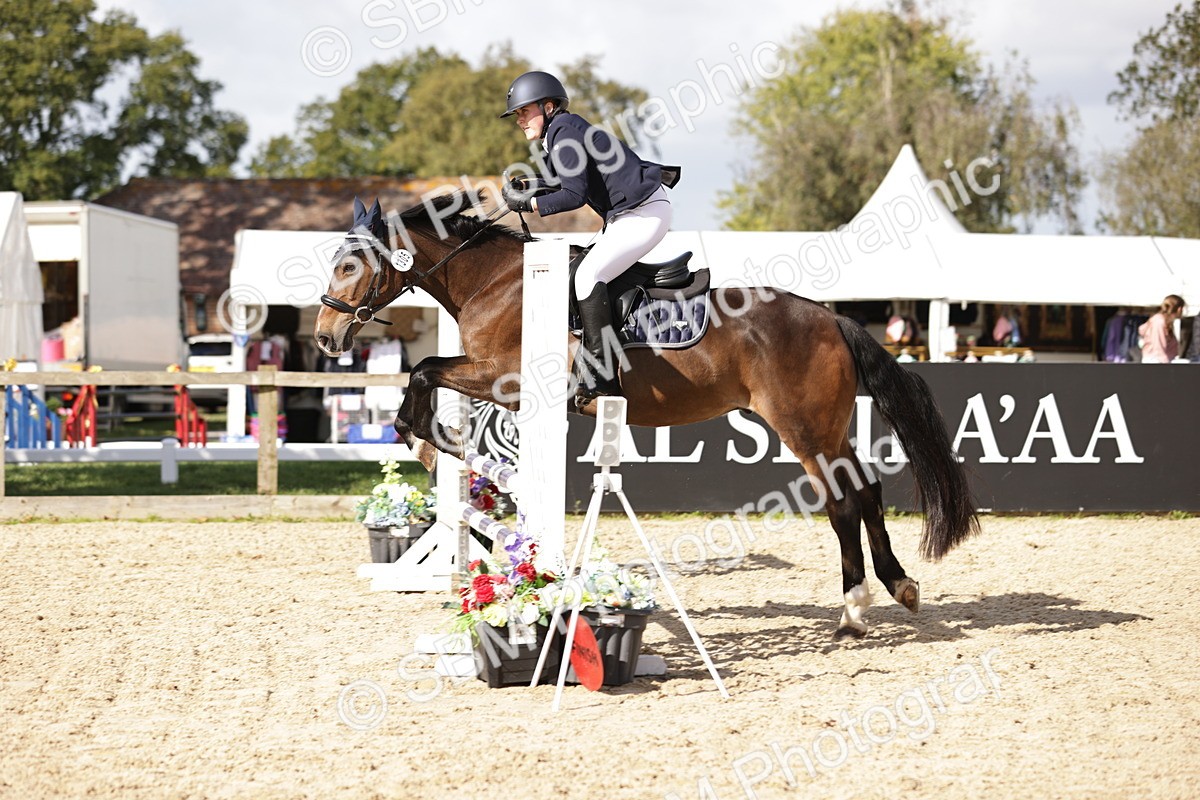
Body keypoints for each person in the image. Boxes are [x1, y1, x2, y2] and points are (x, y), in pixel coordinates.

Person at [499, 70, 678, 401]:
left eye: (524, 111)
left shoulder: (564, 132)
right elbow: (561, 179)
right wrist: (529, 188)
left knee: (586, 277)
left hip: (643, 213)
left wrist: (532, 204)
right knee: (576, 269)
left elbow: (573, 195)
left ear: (548, 106)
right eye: (518, 115)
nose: (520, 120)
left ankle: (602, 374)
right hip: (629, 215)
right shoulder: (562, 131)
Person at [1138, 294, 1186, 363]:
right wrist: (1166, 366)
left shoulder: (1167, 322)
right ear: (1179, 309)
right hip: (1156, 362)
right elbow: (1158, 347)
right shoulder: (1159, 321)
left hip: (1162, 361)